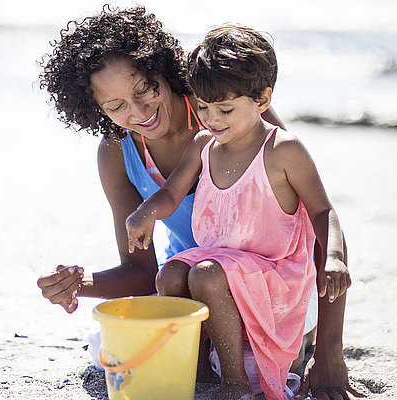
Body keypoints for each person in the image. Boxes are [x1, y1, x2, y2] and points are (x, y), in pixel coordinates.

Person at [37, 6, 359, 400]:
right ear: (96, 111)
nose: (139, 113)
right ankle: (210, 359)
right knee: (120, 349)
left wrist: (329, 353)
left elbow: (313, 224)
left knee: (247, 355)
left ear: (162, 69)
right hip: (194, 282)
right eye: (116, 106)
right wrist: (80, 284)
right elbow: (143, 270)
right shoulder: (117, 153)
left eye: (144, 89)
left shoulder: (222, 104)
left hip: (271, 282)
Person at [124, 24, 358, 400]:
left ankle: (237, 382)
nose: (212, 119)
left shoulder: (283, 150)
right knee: (169, 274)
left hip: (274, 275)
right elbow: (171, 192)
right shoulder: (204, 143)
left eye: (225, 109)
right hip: (221, 262)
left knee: (205, 276)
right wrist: (145, 212)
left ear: (263, 99)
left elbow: (322, 210)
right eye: (202, 107)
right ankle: (197, 367)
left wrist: (332, 256)